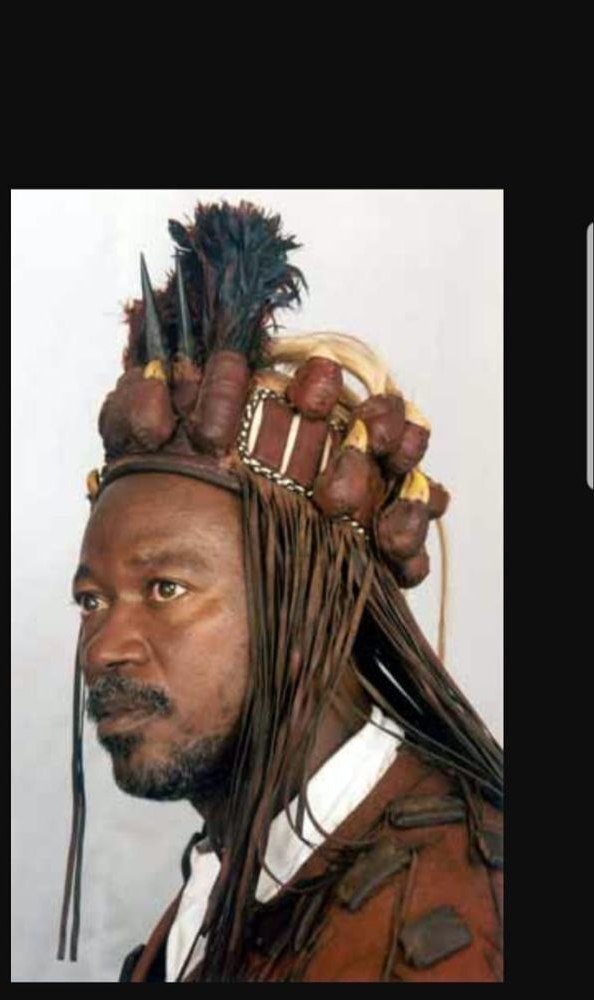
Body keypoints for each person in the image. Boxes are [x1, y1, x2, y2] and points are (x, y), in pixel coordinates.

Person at [57, 201, 503, 982]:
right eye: (92, 601)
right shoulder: (231, 876)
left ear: (311, 602)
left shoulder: (466, 911)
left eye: (164, 587)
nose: (102, 649)